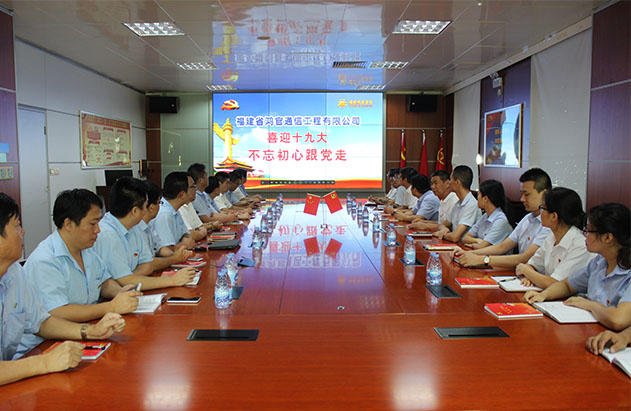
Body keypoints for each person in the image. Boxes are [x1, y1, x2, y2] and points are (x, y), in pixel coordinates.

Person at [0, 193, 124, 384]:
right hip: (25, 362)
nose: (22, 232)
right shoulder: (44, 259)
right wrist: (45, 362)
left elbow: (41, 323)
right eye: (16, 226)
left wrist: (90, 331)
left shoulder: (14, 272)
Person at [17, 189, 140, 357]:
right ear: (68, 224)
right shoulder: (45, 260)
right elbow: (57, 312)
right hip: (41, 347)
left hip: (83, 331)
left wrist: (119, 293)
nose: (98, 230)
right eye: (92, 224)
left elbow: (103, 281)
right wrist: (111, 306)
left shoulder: (86, 249)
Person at [524, 203, 631, 331]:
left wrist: (590, 305)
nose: (584, 235)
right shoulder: (599, 262)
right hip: (591, 330)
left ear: (607, 237)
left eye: (588, 231)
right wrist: (543, 295)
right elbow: (567, 285)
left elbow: (619, 320)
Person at [94, 176, 196, 290]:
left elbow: (147, 265)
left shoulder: (134, 227)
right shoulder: (107, 234)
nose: (146, 211)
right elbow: (123, 281)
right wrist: (172, 280)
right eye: (144, 207)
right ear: (135, 211)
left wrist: (130, 277)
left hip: (131, 290)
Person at [454, 168, 552, 268]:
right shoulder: (527, 219)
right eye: (522, 194)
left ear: (544, 194)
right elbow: (502, 247)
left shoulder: (549, 224)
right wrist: (469, 254)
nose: (522, 199)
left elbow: (524, 258)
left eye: (527, 194)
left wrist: (483, 259)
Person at [515, 187, 595, 288]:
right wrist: (528, 275)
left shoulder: (580, 244)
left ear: (553, 216)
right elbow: (531, 265)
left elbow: (554, 284)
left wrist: (525, 271)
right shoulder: (551, 237)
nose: (540, 212)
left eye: (542, 208)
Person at [138, 180, 192, 270]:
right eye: (159, 202)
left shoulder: (149, 224)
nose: (160, 206)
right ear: (151, 207)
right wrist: (173, 258)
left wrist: (178, 255)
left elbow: (160, 248)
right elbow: (148, 263)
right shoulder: (136, 228)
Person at [459, 179, 513, 249]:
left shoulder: (500, 220)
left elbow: (482, 246)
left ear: (485, 198)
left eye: (479, 194)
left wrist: (473, 245)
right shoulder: (485, 216)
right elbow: (465, 238)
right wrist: (477, 240)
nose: (477, 197)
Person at [433, 165, 481, 242]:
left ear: (457, 182)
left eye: (451, 180)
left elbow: (455, 237)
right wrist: (444, 229)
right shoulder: (458, 203)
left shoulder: (471, 204)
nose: (449, 183)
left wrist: (442, 234)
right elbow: (444, 224)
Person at [153, 172, 196, 250]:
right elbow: (166, 249)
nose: (196, 189)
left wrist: (185, 241)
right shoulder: (164, 214)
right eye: (192, 187)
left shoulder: (175, 210)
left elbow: (187, 235)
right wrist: (184, 244)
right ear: (182, 194)